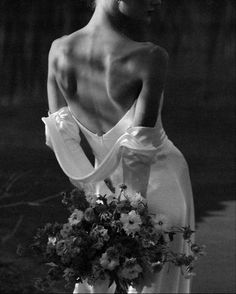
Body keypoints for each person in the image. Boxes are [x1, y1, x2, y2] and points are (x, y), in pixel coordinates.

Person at [42, 0, 195, 293]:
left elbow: (61, 142)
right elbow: (139, 152)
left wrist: (99, 203)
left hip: (102, 195)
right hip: (161, 190)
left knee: (96, 281)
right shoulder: (150, 56)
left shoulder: (59, 50)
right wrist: (132, 222)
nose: (158, 1)